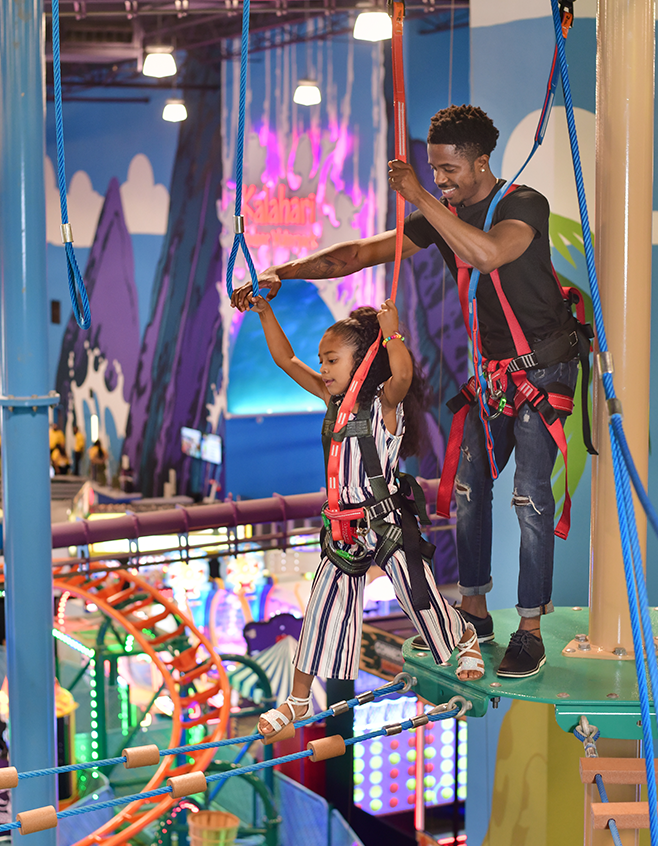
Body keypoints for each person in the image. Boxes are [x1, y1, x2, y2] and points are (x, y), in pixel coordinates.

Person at [232, 105, 582, 679]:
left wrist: (420, 196)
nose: (441, 180)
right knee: (466, 490)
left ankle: (530, 626)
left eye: (449, 171)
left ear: (481, 162)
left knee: (530, 499)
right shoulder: (443, 214)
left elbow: (486, 254)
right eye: (434, 171)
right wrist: (282, 273)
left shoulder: (523, 205)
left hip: (544, 373)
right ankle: (474, 608)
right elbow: (358, 255)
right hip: (495, 374)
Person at [246, 296, 483, 735]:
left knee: (418, 596)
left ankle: (464, 636)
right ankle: (298, 699)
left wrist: (391, 331)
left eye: (333, 359)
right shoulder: (330, 399)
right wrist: (264, 312)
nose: (324, 368)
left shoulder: (383, 403)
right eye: (323, 360)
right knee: (321, 609)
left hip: (384, 520)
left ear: (363, 359)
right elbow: (284, 360)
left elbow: (404, 374)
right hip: (342, 527)